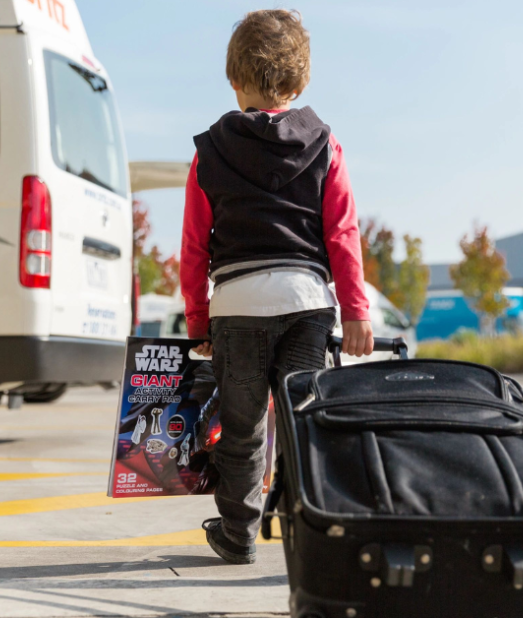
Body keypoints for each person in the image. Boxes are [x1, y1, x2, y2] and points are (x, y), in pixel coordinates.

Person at [180, 8, 373, 565]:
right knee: (305, 423)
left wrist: (199, 322)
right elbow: (342, 231)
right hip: (307, 303)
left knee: (243, 428)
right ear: (301, 82)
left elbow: (194, 247)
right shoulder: (325, 145)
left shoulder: (209, 150)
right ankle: (311, 532)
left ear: (233, 80)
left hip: (237, 307)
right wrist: (356, 310)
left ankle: (238, 534)